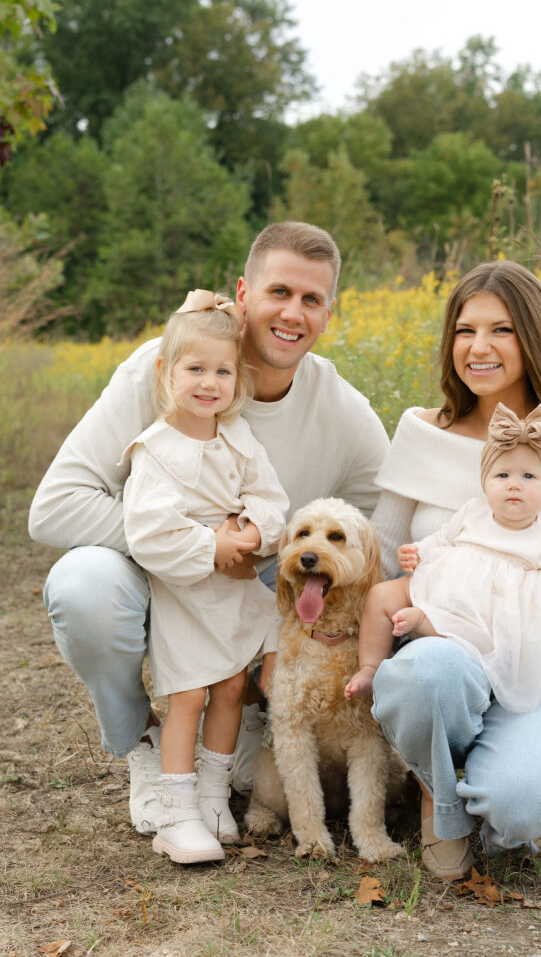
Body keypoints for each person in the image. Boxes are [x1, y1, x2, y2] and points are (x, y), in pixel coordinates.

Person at [28, 221, 390, 836]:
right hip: (156, 578)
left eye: (311, 299)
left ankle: (250, 709)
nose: (292, 313)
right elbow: (55, 506)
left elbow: (382, 534)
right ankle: (141, 741)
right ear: (244, 293)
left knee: (255, 781)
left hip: (257, 601)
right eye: (279, 292)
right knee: (82, 586)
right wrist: (199, 545)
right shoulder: (170, 367)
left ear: (330, 312)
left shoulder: (344, 412)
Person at [368, 260, 541, 882]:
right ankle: (438, 798)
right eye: (464, 329)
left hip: (534, 654)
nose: (478, 348)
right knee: (431, 670)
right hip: (433, 643)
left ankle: (489, 779)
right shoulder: (422, 429)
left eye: (501, 330)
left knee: (525, 803)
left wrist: (481, 588)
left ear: (534, 340)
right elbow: (381, 552)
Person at [122, 290, 289, 863]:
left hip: (235, 591)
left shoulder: (237, 435)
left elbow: (271, 498)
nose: (209, 383)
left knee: (229, 687)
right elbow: (148, 533)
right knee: (189, 692)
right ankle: (177, 811)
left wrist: (250, 530)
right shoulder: (156, 450)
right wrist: (210, 545)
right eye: (195, 369)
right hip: (187, 591)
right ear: (167, 372)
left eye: (222, 371)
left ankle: (216, 797)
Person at [345, 403, 541, 712]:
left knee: (481, 639)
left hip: (490, 617)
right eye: (502, 474)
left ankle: (424, 623)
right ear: (485, 482)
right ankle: (370, 667)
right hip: (444, 586)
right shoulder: (473, 512)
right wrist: (417, 552)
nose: (514, 484)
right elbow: (442, 538)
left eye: (530, 476)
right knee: (382, 594)